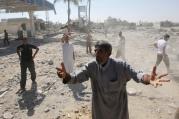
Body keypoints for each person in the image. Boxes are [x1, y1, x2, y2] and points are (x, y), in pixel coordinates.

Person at [56, 40, 169, 119]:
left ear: (109, 53)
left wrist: (149, 79)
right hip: (99, 111)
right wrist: (66, 76)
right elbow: (76, 77)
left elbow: (137, 74)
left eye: (101, 51)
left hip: (118, 112)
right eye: (96, 51)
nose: (97, 54)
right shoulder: (91, 66)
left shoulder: (121, 66)